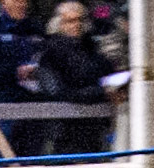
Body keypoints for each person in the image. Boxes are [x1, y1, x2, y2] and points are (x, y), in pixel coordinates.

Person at [35, 2, 113, 155]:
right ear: (59, 23)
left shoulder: (91, 48)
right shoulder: (49, 53)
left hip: (92, 126)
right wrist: (99, 92)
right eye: (70, 21)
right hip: (63, 129)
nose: (76, 25)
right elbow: (57, 91)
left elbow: (105, 73)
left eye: (79, 20)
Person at [0, 0, 45, 155]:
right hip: (3, 100)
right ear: (3, 2)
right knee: (4, 152)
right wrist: (14, 71)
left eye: (24, 1)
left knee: (33, 153)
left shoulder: (35, 28)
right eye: (16, 0)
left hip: (33, 101)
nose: (21, 4)